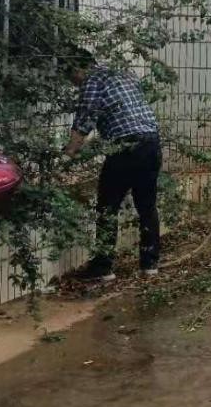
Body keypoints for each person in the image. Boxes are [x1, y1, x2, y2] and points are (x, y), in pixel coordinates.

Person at [64, 48, 162, 282]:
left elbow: (84, 121)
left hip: (125, 148)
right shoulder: (122, 72)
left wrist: (67, 155)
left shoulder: (92, 80)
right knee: (147, 205)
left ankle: (103, 267)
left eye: (70, 77)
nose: (73, 83)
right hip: (151, 142)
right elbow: (123, 116)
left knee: (107, 207)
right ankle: (149, 265)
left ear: (78, 68)